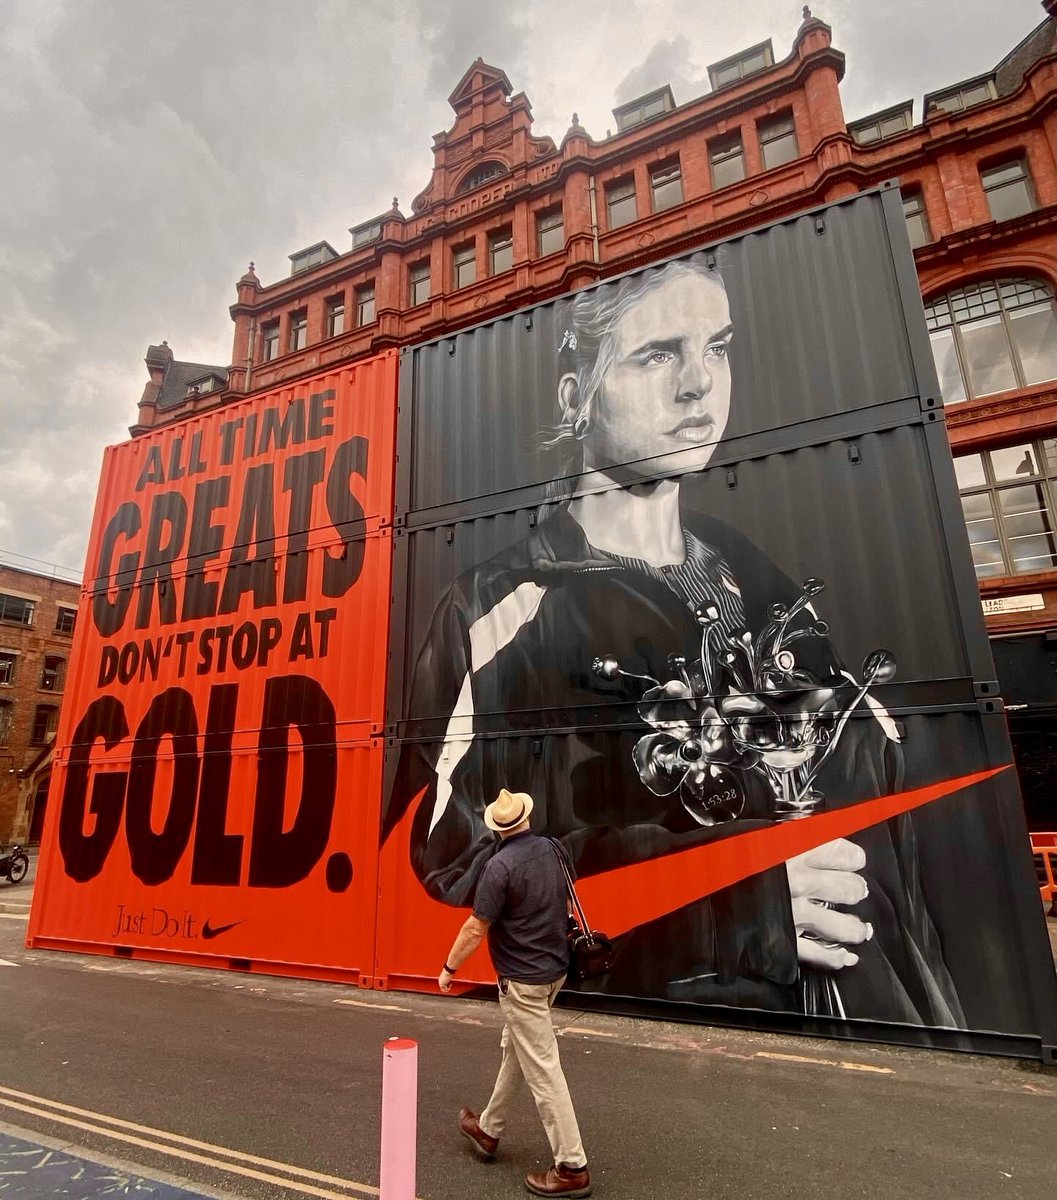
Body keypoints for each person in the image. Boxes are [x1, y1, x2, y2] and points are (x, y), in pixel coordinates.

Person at [389, 256, 964, 1029]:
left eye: (716, 348)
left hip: (878, 1041)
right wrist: (730, 904)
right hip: (675, 1056)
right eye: (658, 354)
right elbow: (445, 865)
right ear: (576, 397)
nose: (699, 382)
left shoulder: (760, 582)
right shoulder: (500, 605)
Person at [438, 787, 591, 1198]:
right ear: (526, 816)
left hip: (522, 982)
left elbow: (476, 927)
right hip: (555, 972)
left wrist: (449, 968)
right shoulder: (555, 849)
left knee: (544, 1070)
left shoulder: (499, 866)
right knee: (517, 1050)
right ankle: (488, 1129)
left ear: (497, 828)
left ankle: (572, 1166)